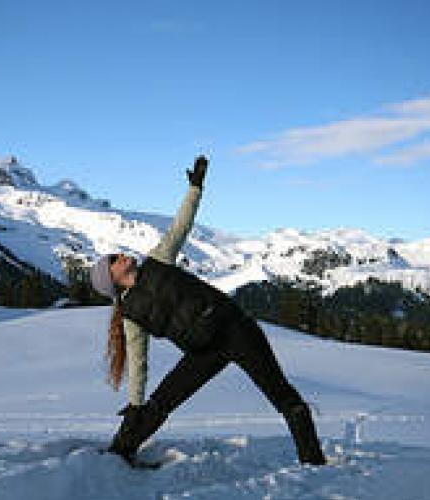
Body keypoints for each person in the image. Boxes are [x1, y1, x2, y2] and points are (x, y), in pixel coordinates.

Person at [89, 156, 326, 467]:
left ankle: (313, 461)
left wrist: (195, 188)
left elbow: (180, 226)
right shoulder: (130, 314)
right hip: (203, 352)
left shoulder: (157, 260)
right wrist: (135, 404)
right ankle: (119, 455)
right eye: (113, 260)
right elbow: (138, 360)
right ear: (113, 279)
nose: (120, 256)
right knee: (159, 403)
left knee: (281, 395)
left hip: (236, 330)